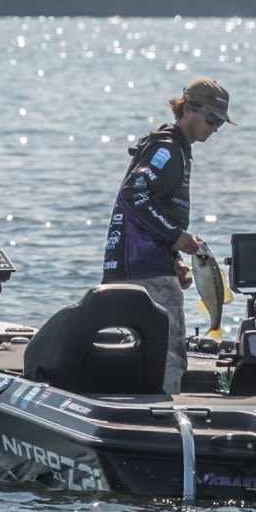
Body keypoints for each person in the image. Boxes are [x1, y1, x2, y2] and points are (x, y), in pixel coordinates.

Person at [102, 78, 236, 393]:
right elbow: (132, 194)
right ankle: (160, 415)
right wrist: (175, 235)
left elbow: (148, 209)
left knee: (139, 356)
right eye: (212, 119)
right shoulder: (167, 149)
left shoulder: (171, 148)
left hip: (139, 268)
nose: (214, 128)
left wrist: (172, 257)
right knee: (169, 357)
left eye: (220, 123)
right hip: (145, 274)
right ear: (187, 109)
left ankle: (134, 410)